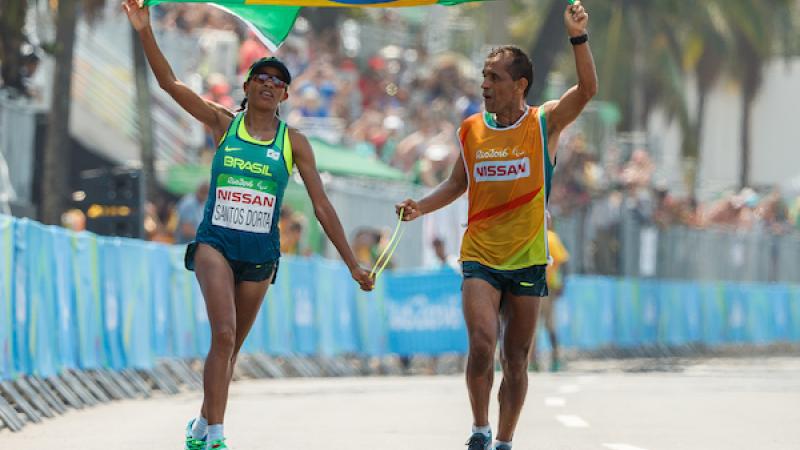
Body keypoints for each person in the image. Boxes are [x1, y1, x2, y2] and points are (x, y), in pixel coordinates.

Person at [123, 2, 374, 450]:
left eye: (278, 81)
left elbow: (322, 206)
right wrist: (145, 30)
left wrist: (354, 264)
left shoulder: (295, 143)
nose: (269, 84)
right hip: (215, 243)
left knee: (231, 348)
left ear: (285, 96)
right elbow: (169, 83)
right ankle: (217, 435)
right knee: (222, 333)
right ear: (247, 85)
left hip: (261, 254)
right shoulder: (224, 124)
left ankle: (202, 421)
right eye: (262, 77)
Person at [395, 3, 597, 449]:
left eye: (494, 78)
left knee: (517, 360)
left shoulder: (544, 123)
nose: (484, 85)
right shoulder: (470, 129)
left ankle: (505, 440)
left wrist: (577, 37)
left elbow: (586, 90)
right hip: (480, 255)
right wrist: (420, 207)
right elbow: (456, 183)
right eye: (483, 77)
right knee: (483, 345)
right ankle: (480, 429)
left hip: (527, 258)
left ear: (519, 84)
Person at [530, 212, 570, 372]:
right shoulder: (552, 238)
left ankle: (533, 361)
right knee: (549, 325)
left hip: (533, 287)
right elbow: (564, 263)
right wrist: (562, 284)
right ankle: (554, 359)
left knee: (532, 325)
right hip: (547, 288)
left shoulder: (531, 237)